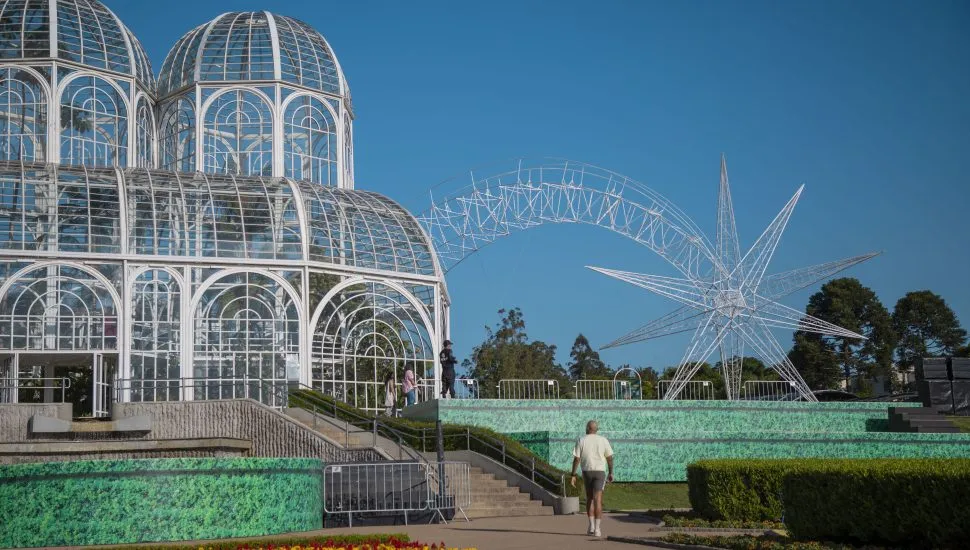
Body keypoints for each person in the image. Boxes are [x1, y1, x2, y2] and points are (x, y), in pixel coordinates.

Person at [570, 420, 614, 538]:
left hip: (587, 472)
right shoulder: (603, 440)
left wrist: (573, 474)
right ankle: (598, 529)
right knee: (598, 499)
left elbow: (577, 459)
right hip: (600, 472)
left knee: (589, 498)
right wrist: (611, 472)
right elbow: (609, 458)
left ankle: (591, 526)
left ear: (587, 428)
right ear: (596, 429)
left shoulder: (581, 440)